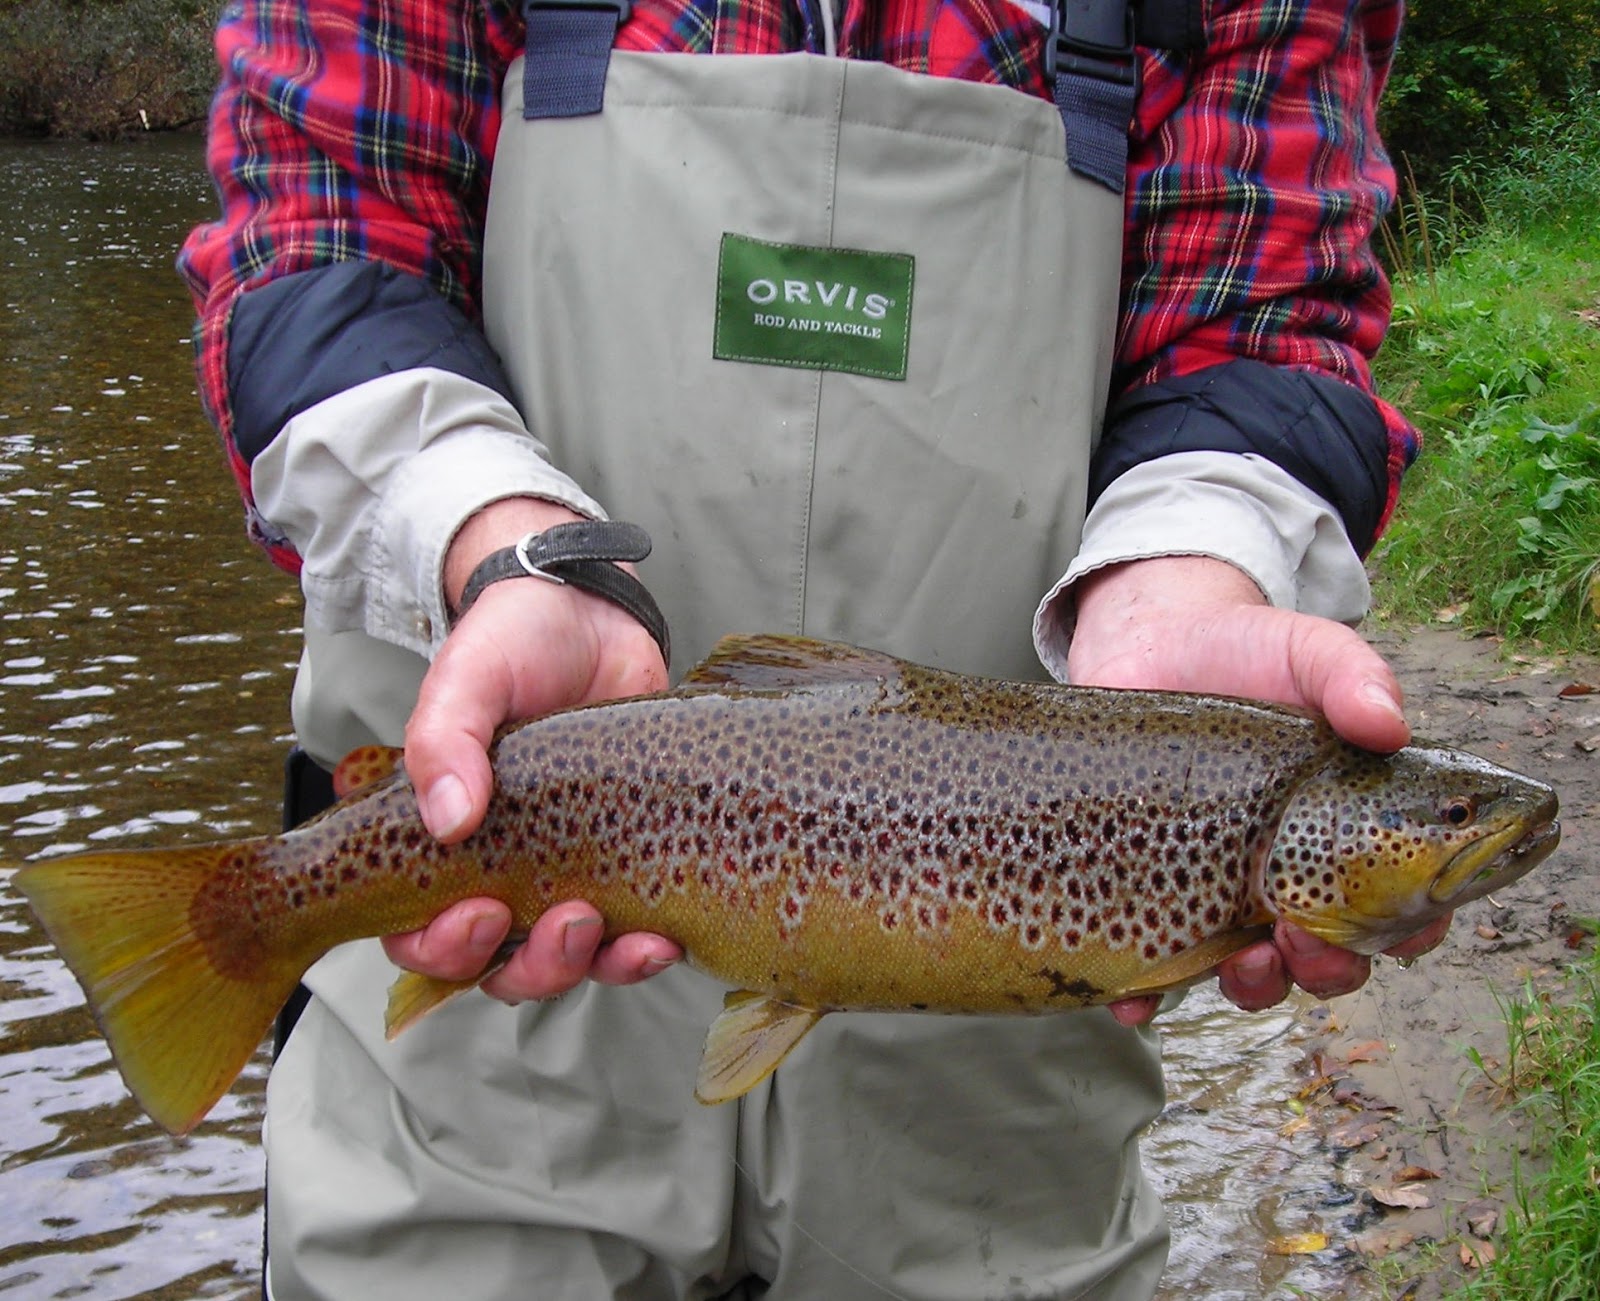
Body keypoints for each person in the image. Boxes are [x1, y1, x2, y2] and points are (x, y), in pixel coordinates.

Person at [178, 0, 1449, 1295]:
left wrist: (1190, 562)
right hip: (478, 1101)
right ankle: (240, 917)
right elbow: (317, 243)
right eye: (1446, 817)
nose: (1468, 833)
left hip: (992, 1131)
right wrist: (503, 550)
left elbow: (1261, 327)